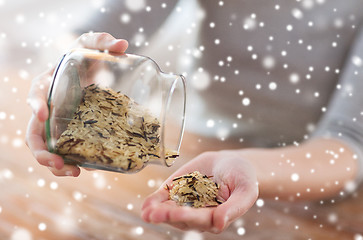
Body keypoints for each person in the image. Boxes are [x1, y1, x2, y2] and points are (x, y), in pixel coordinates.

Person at [26, 0, 363, 233]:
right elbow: (105, 28)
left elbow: (349, 142)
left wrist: (249, 168)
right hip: (192, 148)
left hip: (311, 184)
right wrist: (74, 75)